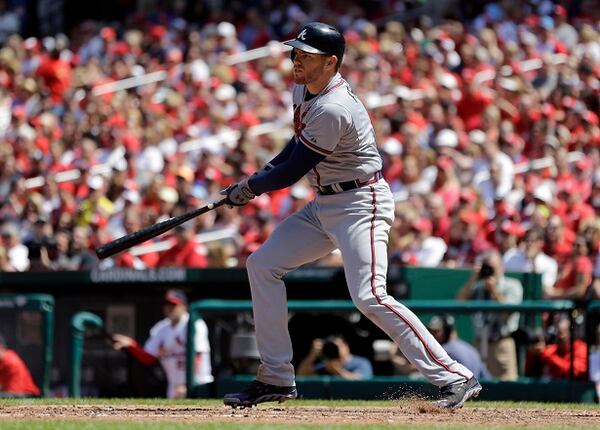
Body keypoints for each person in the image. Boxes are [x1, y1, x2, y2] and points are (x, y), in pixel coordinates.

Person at [221, 22, 480, 409]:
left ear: (331, 62)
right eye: (295, 53)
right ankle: (275, 376)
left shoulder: (334, 105)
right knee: (262, 264)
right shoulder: (305, 88)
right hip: (325, 203)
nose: (296, 60)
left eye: (305, 56)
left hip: (361, 203)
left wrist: (252, 188)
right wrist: (254, 180)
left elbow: (295, 169)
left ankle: (455, 376)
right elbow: (295, 146)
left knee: (369, 295)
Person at [112, 289, 213, 399]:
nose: (169, 308)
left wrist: (188, 384)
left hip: (199, 383)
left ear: (184, 306)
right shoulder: (161, 329)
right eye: (166, 304)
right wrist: (132, 345)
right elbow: (148, 358)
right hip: (174, 386)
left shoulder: (195, 324)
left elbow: (197, 356)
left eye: (173, 305)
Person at [456, 250, 523, 381]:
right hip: (479, 342)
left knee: (506, 385)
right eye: (486, 267)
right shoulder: (478, 287)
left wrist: (494, 291)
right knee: (476, 385)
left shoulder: (512, 285)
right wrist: (473, 278)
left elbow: (508, 312)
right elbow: (460, 302)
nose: (489, 271)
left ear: (501, 267)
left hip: (501, 343)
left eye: (492, 267)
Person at [427, 315, 491, 380]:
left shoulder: (446, 350)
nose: (432, 335)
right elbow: (486, 376)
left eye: (436, 331)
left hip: (464, 387)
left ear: (447, 331)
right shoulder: (468, 347)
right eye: (431, 331)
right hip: (476, 387)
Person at [297, 335, 373, 380]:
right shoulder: (325, 365)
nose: (333, 349)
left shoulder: (361, 362)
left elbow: (360, 382)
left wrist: (337, 371)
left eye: (337, 346)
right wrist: (312, 355)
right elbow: (301, 375)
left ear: (346, 346)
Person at [0, 333, 40, 397]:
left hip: (26, 394)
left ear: (1, 346)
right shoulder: (8, 355)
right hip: (16, 393)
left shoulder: (7, 358)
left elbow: (12, 392)